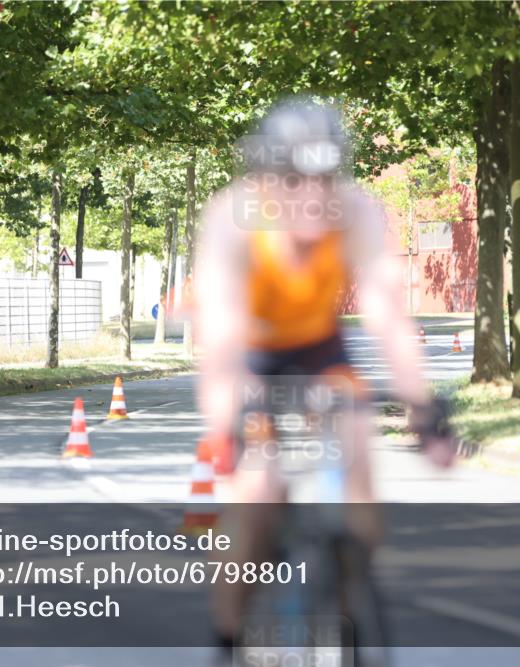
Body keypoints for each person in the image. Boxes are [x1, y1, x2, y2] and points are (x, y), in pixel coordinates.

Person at [192, 98, 456, 654]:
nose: (311, 195)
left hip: (319, 350)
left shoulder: (356, 212)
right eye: (293, 180)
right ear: (265, 178)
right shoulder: (232, 219)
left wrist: (423, 408)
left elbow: (387, 312)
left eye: (325, 177)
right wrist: (230, 420)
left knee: (358, 459)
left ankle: (347, 606)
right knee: (258, 493)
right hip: (252, 355)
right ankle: (225, 640)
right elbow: (220, 336)